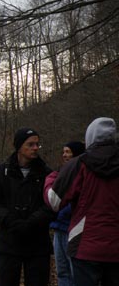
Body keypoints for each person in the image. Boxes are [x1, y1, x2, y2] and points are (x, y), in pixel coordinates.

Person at [44, 117, 119, 286]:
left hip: (85, 245)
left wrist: (51, 179)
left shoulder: (78, 164)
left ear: (89, 138)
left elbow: (54, 201)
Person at [0, 127, 55, 286]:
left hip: (38, 244)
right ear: (19, 147)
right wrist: (10, 220)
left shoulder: (46, 173)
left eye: (37, 144)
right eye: (30, 144)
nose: (35, 148)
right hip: (9, 243)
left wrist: (32, 221)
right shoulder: (1, 172)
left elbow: (52, 204)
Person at [45, 141, 85, 286]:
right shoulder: (61, 173)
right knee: (62, 271)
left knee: (75, 272)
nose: (64, 155)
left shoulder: (83, 174)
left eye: (68, 152)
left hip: (74, 231)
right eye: (63, 152)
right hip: (58, 230)